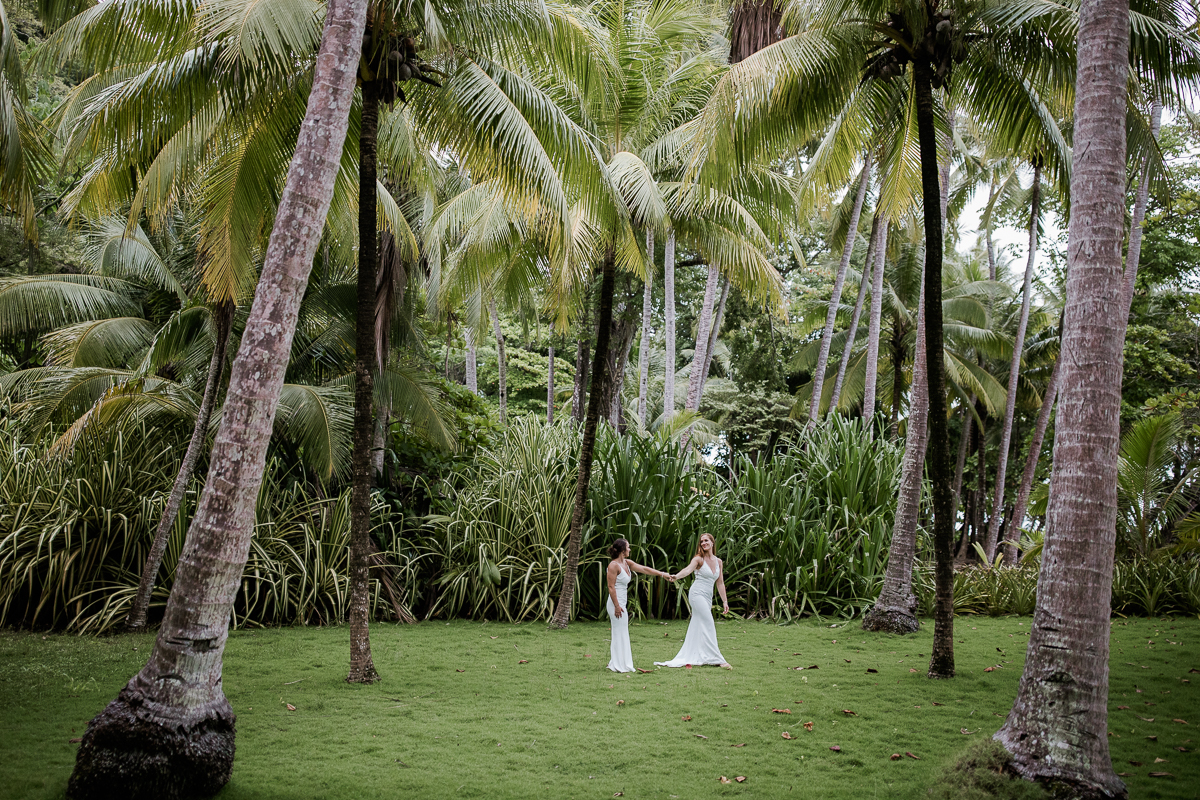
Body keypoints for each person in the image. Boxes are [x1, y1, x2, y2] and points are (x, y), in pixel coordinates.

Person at [655, 533, 732, 669]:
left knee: (698, 625)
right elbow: (688, 570)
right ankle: (718, 659)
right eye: (701, 541)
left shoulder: (718, 562)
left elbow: (720, 583)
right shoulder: (698, 559)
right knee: (708, 622)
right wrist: (676, 576)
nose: (703, 543)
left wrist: (725, 601)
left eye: (706, 540)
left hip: (708, 597)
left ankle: (700, 654)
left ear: (712, 542)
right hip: (697, 594)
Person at [605, 538, 673, 673]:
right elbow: (611, 587)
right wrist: (617, 606)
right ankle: (618, 664)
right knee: (619, 632)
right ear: (622, 550)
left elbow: (644, 569)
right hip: (615, 603)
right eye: (628, 547)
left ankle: (622, 662)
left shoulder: (626, 563)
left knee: (622, 632)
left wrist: (662, 574)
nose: (630, 550)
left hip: (622, 601)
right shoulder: (613, 565)